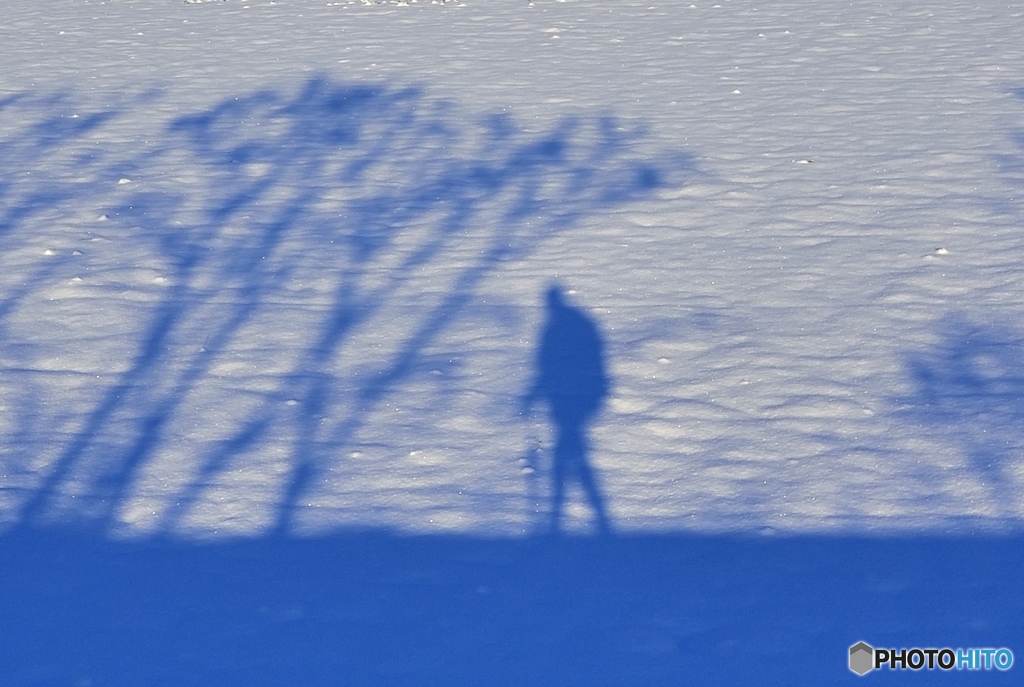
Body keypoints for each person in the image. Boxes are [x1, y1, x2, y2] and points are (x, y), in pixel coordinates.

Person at [522, 284, 612, 535]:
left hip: (573, 400)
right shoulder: (575, 324)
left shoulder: (560, 328)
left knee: (569, 452)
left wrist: (536, 395)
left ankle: (564, 511)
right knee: (572, 450)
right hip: (571, 400)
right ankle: (587, 513)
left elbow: (551, 366)